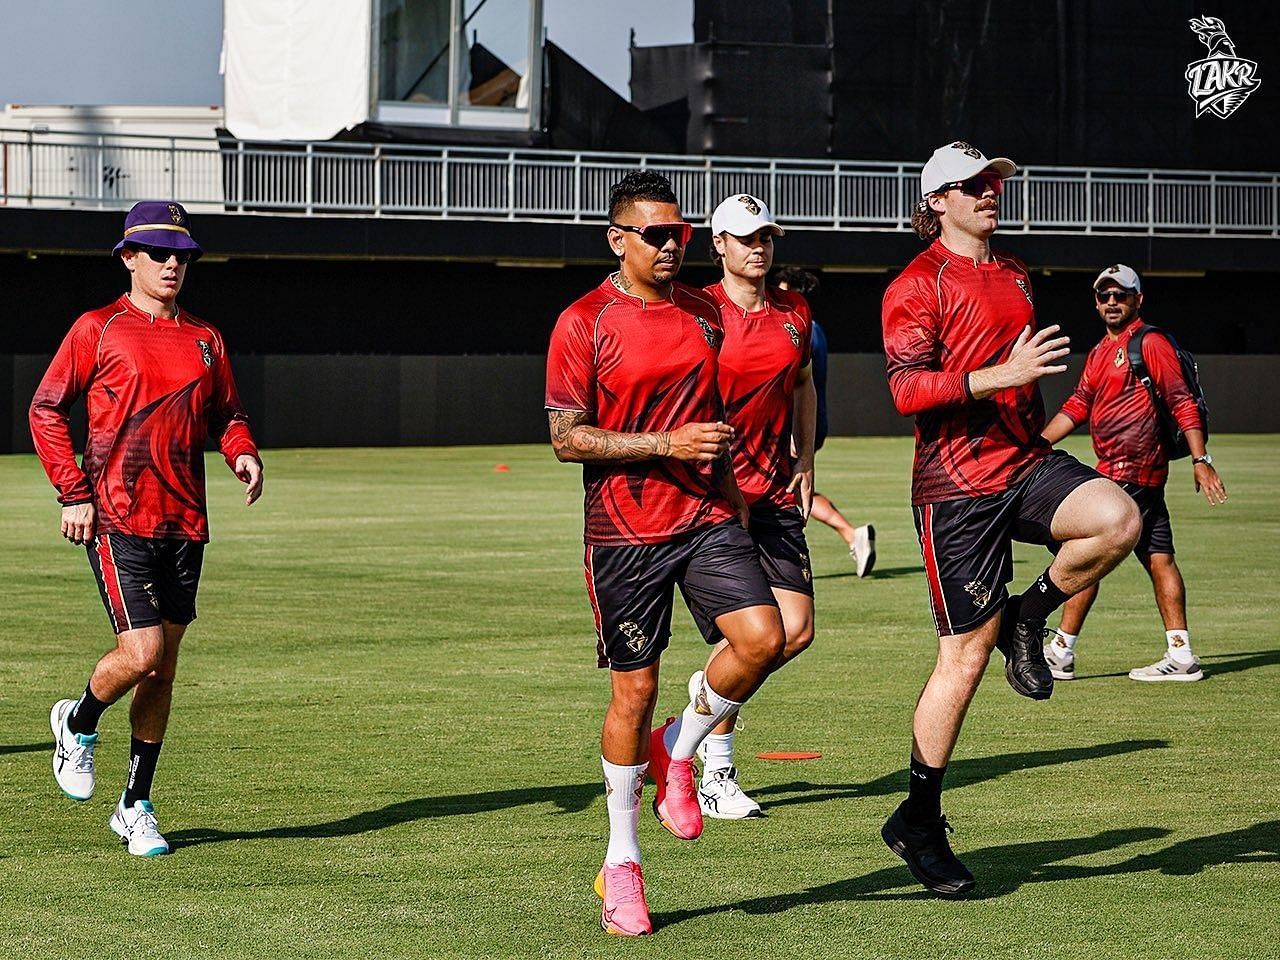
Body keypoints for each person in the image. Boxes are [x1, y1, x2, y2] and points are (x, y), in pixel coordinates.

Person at [880, 142, 1141, 895]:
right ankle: (919, 822)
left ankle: (1028, 614)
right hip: (955, 489)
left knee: (1117, 518)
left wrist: (1021, 390)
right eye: (972, 185)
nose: (989, 193)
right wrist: (1003, 374)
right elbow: (905, 391)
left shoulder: (1016, 272)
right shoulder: (914, 284)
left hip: (1022, 463)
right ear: (936, 201)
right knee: (961, 659)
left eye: (993, 182)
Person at [545, 171, 785, 936]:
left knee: (765, 638)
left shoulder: (706, 312)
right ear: (618, 239)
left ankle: (679, 749)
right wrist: (664, 444)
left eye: (679, 233)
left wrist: (734, 492)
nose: (673, 244)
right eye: (656, 233)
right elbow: (564, 438)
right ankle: (621, 864)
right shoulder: (583, 321)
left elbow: (713, 407)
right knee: (632, 693)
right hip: (623, 533)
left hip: (709, 514)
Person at [30, 201, 263, 857]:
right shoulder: (97, 329)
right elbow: (47, 409)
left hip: (186, 523)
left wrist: (242, 451)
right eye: (158, 253)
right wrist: (72, 494)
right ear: (128, 257)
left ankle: (135, 805)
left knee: (162, 673)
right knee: (142, 654)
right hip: (117, 518)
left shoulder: (207, 338)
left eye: (182, 255)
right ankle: (76, 721)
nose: (171, 264)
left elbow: (229, 414)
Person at [682, 195, 817, 821]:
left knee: (797, 633)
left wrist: (807, 458)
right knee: (756, 640)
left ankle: (704, 696)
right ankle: (715, 769)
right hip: (712, 499)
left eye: (766, 235)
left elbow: (803, 385)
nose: (758, 247)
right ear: (720, 246)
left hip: (775, 494)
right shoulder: (697, 311)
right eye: (744, 238)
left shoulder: (794, 313)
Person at [1041, 264, 1227, 682]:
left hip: (1128, 472)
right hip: (1134, 477)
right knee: (1160, 559)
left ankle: (1061, 651)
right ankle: (1180, 654)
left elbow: (1182, 400)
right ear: (1096, 301)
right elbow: (1077, 406)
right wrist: (1036, 445)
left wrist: (1201, 460)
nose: (1111, 302)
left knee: (1087, 552)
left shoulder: (1150, 342)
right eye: (1104, 295)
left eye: (1120, 294)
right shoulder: (1100, 351)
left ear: (1137, 299)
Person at [775, 265, 876, 577]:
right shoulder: (815, 329)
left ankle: (850, 535)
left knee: (783, 490)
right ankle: (851, 535)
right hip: (811, 425)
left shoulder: (798, 331)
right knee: (788, 489)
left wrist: (793, 433)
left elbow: (797, 385)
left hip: (796, 428)